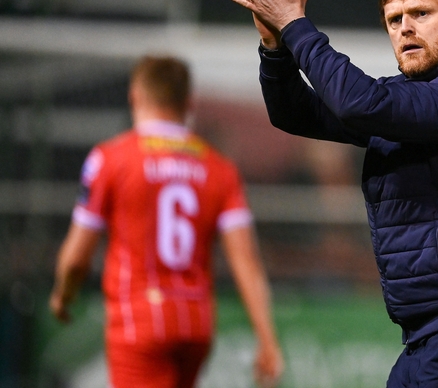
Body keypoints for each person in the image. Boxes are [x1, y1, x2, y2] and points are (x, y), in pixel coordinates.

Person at [224, 0, 438, 387]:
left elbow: (360, 103)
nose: (405, 27)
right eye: (394, 19)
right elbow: (296, 114)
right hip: (432, 337)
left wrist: (297, 26)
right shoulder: (402, 103)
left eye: (421, 12)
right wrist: (275, 46)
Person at [49, 55, 284, 388]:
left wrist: (63, 295)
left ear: (135, 96)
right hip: (196, 323)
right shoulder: (220, 169)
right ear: (188, 103)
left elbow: (76, 259)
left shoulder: (110, 159)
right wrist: (266, 337)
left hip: (139, 319)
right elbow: (246, 262)